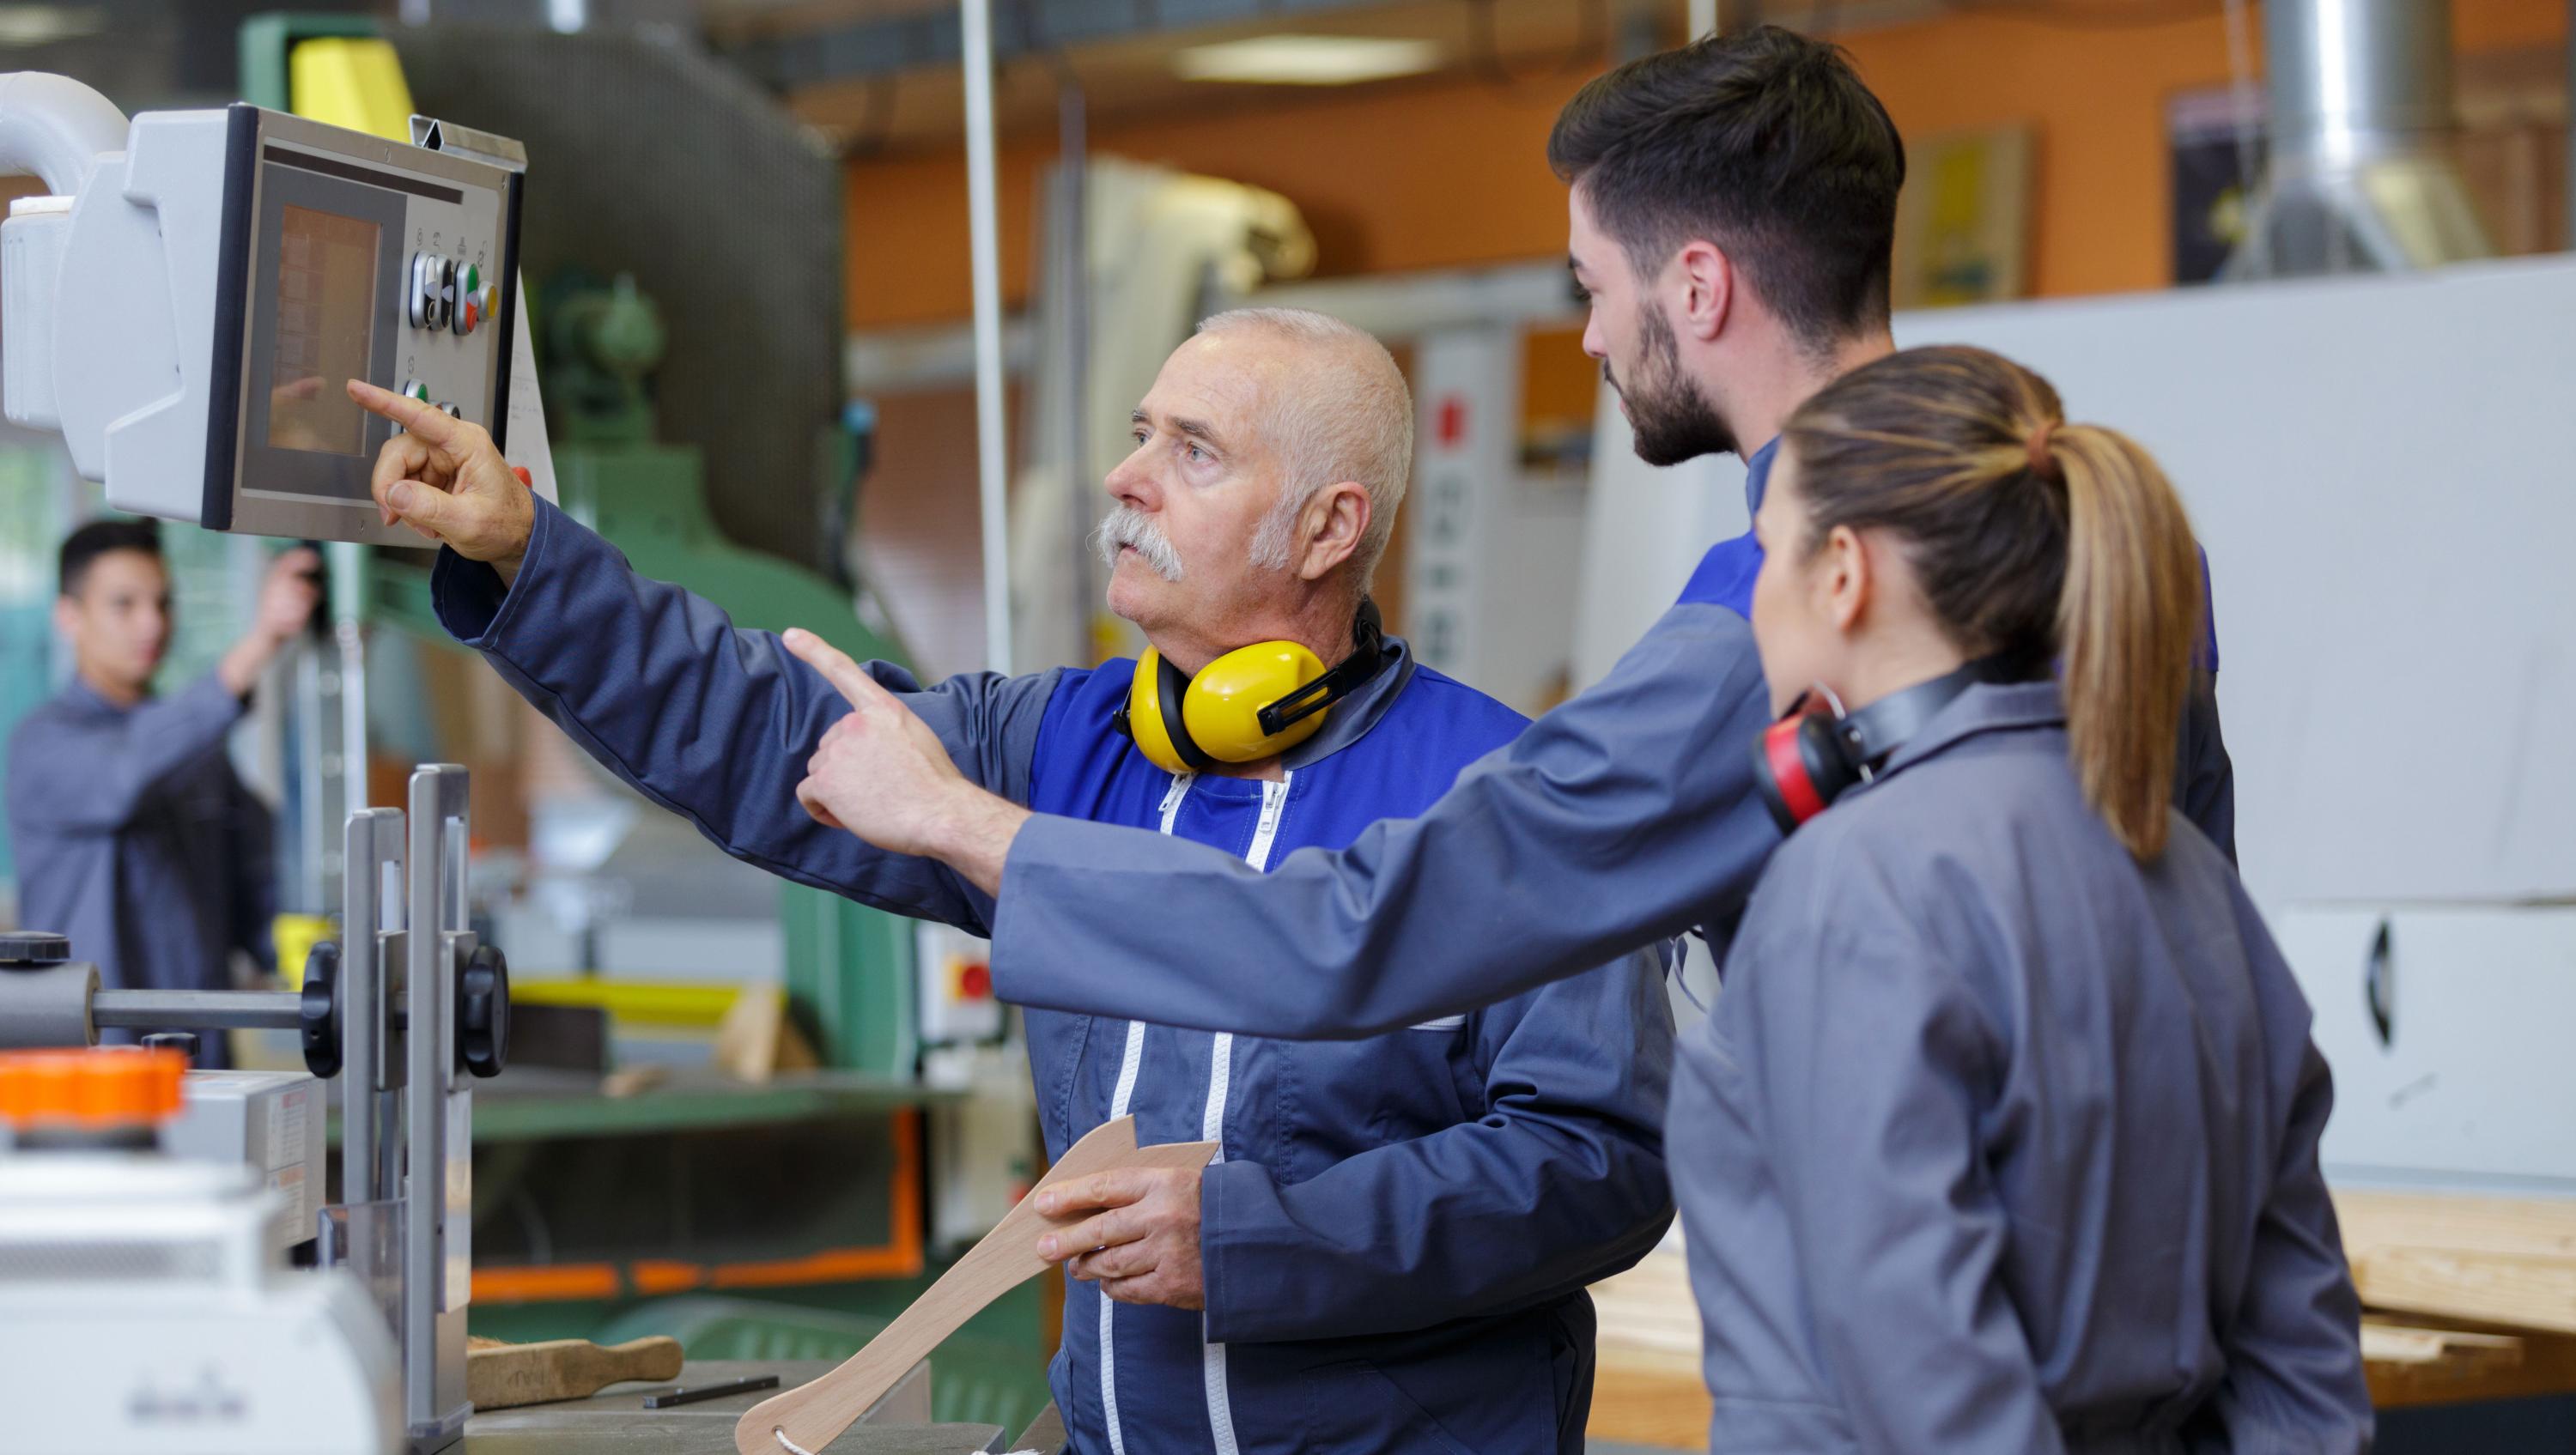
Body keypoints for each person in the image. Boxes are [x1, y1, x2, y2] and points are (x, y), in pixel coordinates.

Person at [344, 307, 1675, 1455]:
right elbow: (765, 736)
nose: (1126, 474)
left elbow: (1594, 1158)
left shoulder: (1506, 795)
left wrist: (1261, 1235)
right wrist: (527, 554)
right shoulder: (1065, 744)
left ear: (1329, 525)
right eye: (1144, 431)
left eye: (1191, 451)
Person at [751, 27, 2239, 1041]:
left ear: (1701, 289)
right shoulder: (2100, 530)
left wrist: (965, 824)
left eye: (1595, 286)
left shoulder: (1772, 627)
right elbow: (2216, 994)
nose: (1588, 337)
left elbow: (1359, 935)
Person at [1673, 343, 2367, 1452]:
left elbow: (1929, 1385)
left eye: (1767, 555)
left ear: (1842, 572)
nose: (1755, 595)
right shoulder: (2194, 880)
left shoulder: (1852, 883)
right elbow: (2307, 1369)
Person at [5, 521, 319, 1067]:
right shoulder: (43, 745)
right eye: (124, 605)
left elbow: (262, 896)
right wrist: (260, 643)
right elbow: (124, 780)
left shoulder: (199, 755)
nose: (152, 624)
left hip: (203, 1070)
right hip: (89, 1078)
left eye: (163, 602)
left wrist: (336, 967)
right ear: (69, 616)